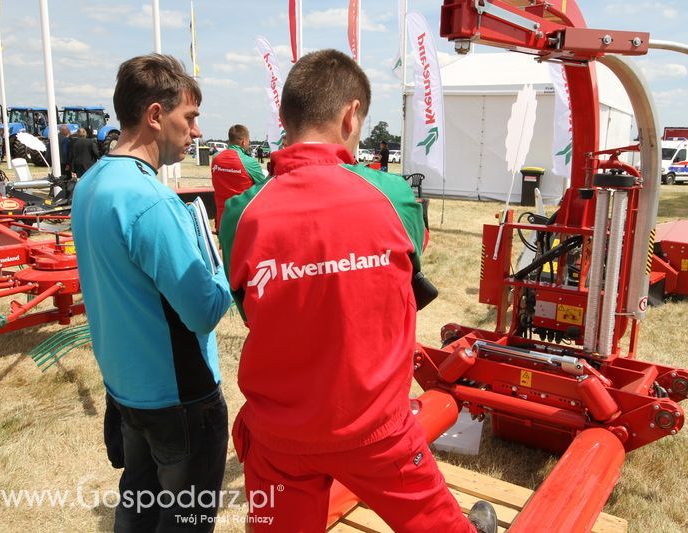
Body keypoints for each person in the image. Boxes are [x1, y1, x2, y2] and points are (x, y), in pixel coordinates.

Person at [219, 49, 497, 533]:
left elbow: (252, 311)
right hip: (378, 432)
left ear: (284, 117)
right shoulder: (393, 196)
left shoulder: (242, 213)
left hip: (280, 438)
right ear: (351, 114)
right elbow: (407, 276)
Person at [71, 53, 232, 532]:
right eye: (191, 117)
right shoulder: (153, 202)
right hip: (179, 398)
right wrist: (219, 261)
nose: (197, 132)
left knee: (138, 506)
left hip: (128, 389)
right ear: (156, 116)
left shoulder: (92, 183)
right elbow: (204, 308)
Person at [210, 124, 266, 230]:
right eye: (248, 142)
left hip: (222, 220)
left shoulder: (215, 158)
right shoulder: (249, 162)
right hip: (242, 221)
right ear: (243, 141)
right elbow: (264, 187)